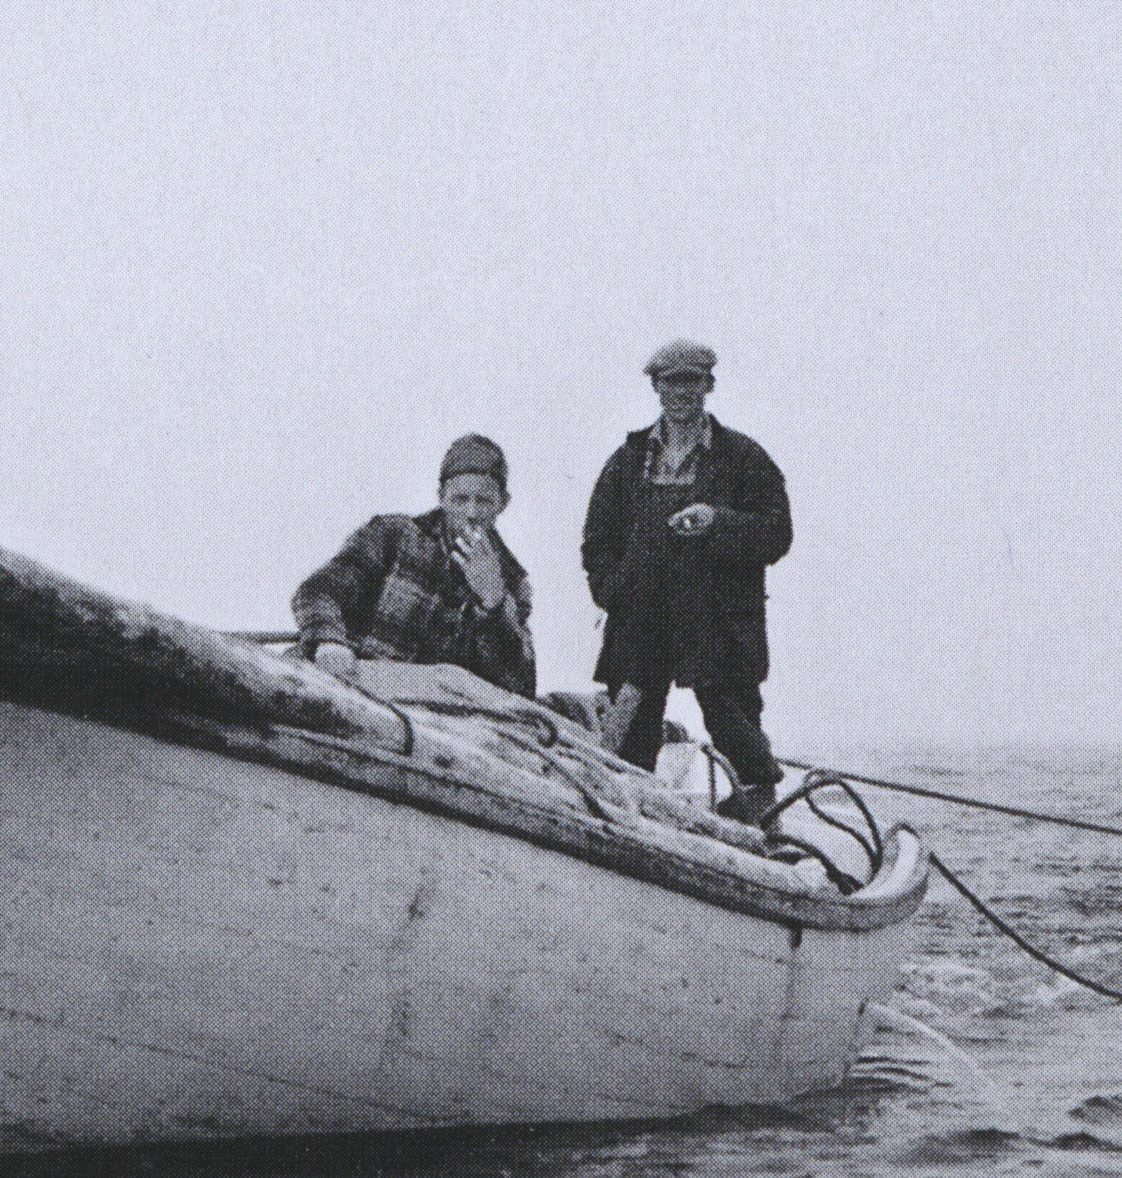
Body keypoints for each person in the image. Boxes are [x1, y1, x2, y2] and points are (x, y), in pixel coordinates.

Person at [582, 340, 793, 821]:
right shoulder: (627, 461)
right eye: (670, 382)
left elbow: (778, 534)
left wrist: (718, 520)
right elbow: (596, 542)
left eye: (691, 381)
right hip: (641, 621)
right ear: (656, 388)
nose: (681, 392)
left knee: (741, 739)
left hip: (718, 624)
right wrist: (616, 594)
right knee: (625, 750)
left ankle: (762, 831)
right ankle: (625, 832)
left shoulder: (744, 457)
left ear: (709, 385)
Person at [293, 434, 537, 697]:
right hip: (348, 685)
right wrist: (328, 641)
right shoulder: (392, 534)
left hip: (429, 713)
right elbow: (317, 591)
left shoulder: (513, 581)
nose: (472, 513)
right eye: (460, 499)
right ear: (441, 497)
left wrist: (494, 605)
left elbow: (521, 688)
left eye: (484, 501)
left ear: (503, 503)